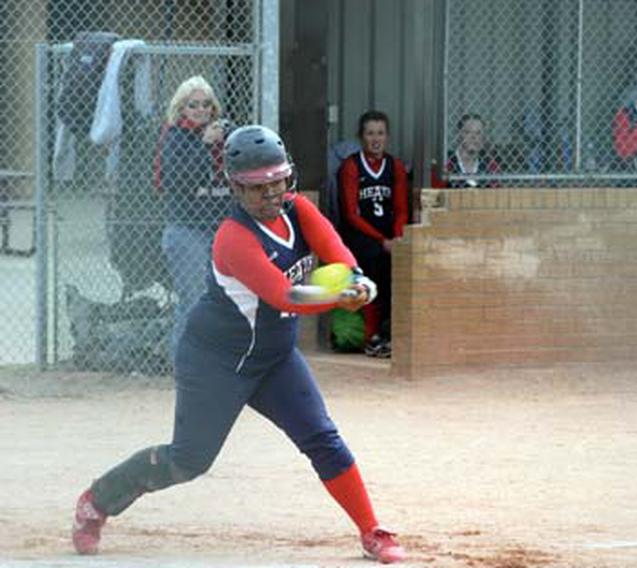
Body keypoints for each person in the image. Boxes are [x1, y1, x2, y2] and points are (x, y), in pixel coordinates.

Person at [70, 125, 407, 564]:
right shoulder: (233, 238)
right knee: (189, 460)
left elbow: (337, 251)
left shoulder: (298, 210)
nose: (270, 193)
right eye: (255, 186)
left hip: (274, 358)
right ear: (234, 186)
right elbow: (284, 296)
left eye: (278, 181)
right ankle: (96, 502)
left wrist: (356, 278)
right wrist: (337, 297)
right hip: (215, 361)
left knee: (323, 438)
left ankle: (372, 532)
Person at [154, 76, 232, 363]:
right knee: (193, 299)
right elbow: (181, 180)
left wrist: (223, 137)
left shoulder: (222, 136)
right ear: (182, 108)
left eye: (206, 105)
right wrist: (203, 144)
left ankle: (212, 362)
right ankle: (184, 365)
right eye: (193, 105)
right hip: (187, 230)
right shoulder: (175, 137)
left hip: (219, 229)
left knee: (220, 299)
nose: (200, 110)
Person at [337, 110, 409, 357]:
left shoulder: (395, 166)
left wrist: (397, 238)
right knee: (371, 271)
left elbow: (401, 209)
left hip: (389, 237)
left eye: (380, 133)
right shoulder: (351, 166)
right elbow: (351, 214)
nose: (375, 139)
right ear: (361, 137)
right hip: (362, 235)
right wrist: (382, 241)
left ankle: (390, 333)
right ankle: (371, 336)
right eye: (370, 133)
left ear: (387, 136)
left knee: (396, 273)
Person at [431, 113, 500, 188]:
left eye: (478, 133)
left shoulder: (490, 166)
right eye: (467, 132)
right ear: (458, 135)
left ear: (483, 138)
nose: (473, 137)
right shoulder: (446, 163)